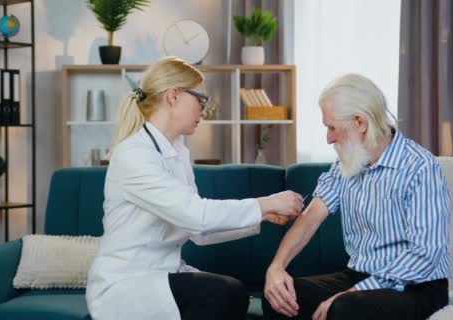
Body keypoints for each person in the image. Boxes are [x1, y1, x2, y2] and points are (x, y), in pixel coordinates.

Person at [85, 56, 304, 320]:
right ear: (173, 96)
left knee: (233, 293)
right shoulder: (133, 154)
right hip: (125, 284)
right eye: (201, 100)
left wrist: (262, 217)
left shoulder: (178, 151)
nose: (204, 110)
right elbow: (197, 216)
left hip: (163, 274)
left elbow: (197, 232)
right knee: (226, 293)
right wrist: (267, 203)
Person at [263, 74, 450, 320]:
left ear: (360, 122)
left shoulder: (420, 167)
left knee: (345, 310)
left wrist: (353, 292)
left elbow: (426, 253)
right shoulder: (347, 163)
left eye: (331, 127)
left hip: (414, 285)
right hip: (358, 277)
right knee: (281, 299)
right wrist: (276, 268)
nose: (328, 138)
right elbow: (310, 217)